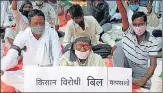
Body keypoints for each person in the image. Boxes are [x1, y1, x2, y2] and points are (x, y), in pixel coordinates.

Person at [1, 9, 62, 92]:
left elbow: (57, 55)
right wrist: (2, 68)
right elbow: (13, 52)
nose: (39, 26)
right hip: (28, 73)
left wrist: (54, 74)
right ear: (29, 24)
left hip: (47, 72)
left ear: (45, 22)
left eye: (41, 23)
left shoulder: (51, 33)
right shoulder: (23, 35)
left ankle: (27, 88)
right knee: (5, 77)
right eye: (35, 23)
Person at [113, 0, 160, 89]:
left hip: (141, 70)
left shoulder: (152, 41)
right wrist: (119, 2)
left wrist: (143, 80)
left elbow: (153, 65)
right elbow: (124, 17)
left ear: (146, 24)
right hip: (127, 66)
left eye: (141, 24)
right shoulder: (128, 31)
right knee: (118, 50)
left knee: (153, 84)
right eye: (135, 25)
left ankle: (130, 81)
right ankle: (120, 79)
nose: (138, 27)